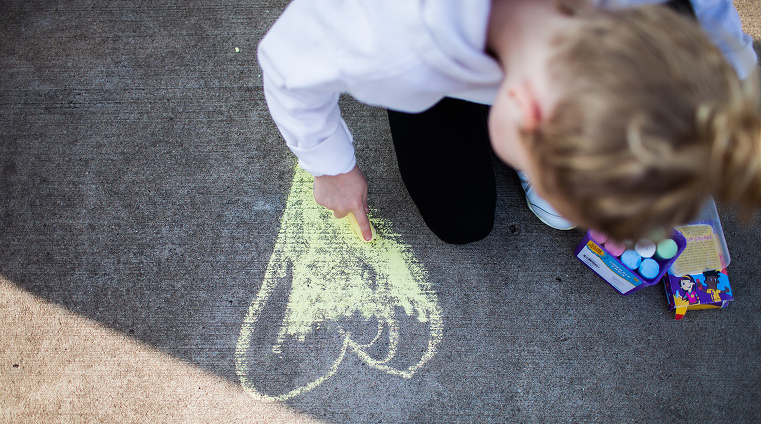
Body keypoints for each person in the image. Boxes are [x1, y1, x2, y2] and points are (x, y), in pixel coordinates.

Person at [257, 0, 759, 243]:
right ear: (527, 113)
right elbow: (285, 65)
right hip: (444, 61)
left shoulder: (662, 17)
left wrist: (728, 98)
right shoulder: (388, 45)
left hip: (502, 46)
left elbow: (714, 28)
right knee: (460, 222)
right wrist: (331, 165)